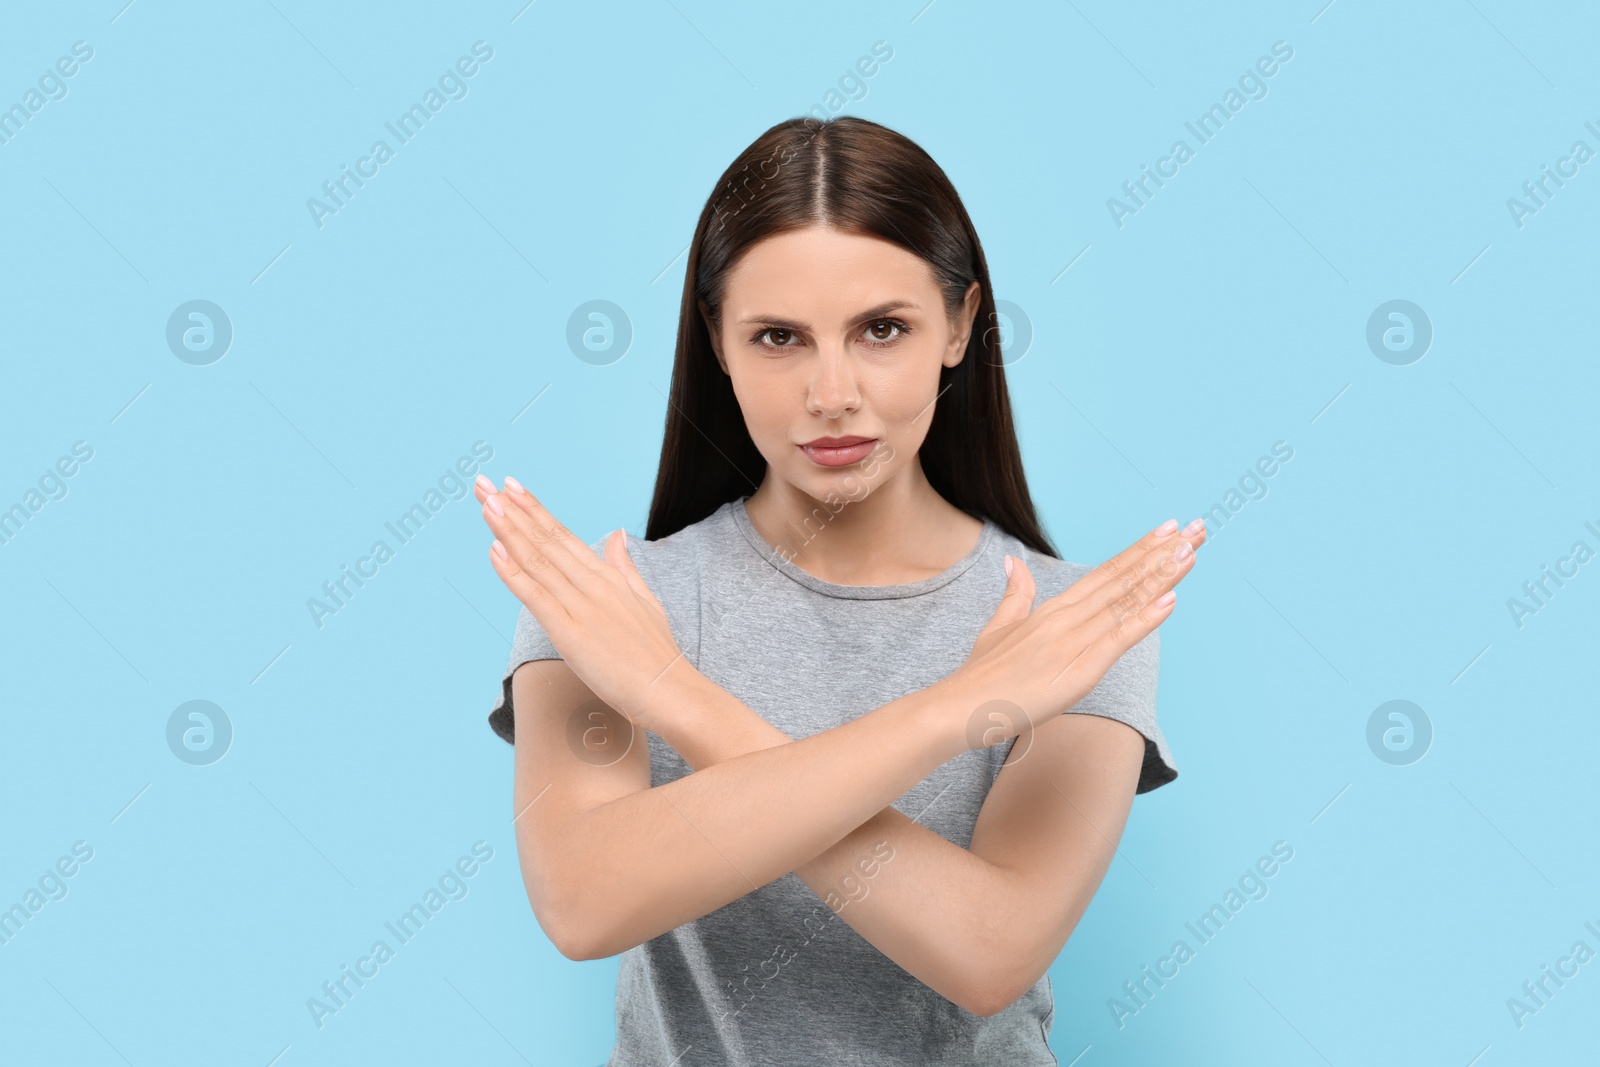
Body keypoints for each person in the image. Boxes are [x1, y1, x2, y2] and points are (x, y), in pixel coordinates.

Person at [475, 115, 1204, 1066]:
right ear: (718, 341)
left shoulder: (1066, 631)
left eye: (883, 330)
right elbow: (582, 901)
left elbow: (989, 951)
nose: (832, 391)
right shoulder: (611, 606)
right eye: (778, 336)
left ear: (961, 325)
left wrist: (672, 696)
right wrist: (956, 713)